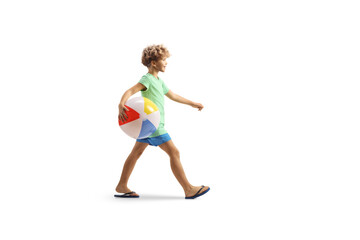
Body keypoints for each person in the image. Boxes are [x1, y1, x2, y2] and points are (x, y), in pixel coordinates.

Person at [115, 44, 210, 199]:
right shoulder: (147, 79)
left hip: (145, 126)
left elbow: (173, 96)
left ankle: (121, 185)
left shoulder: (159, 81)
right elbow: (131, 90)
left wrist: (192, 103)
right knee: (174, 152)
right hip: (153, 126)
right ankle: (188, 189)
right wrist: (121, 104)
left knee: (136, 153)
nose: (166, 63)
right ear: (153, 62)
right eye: (164, 60)